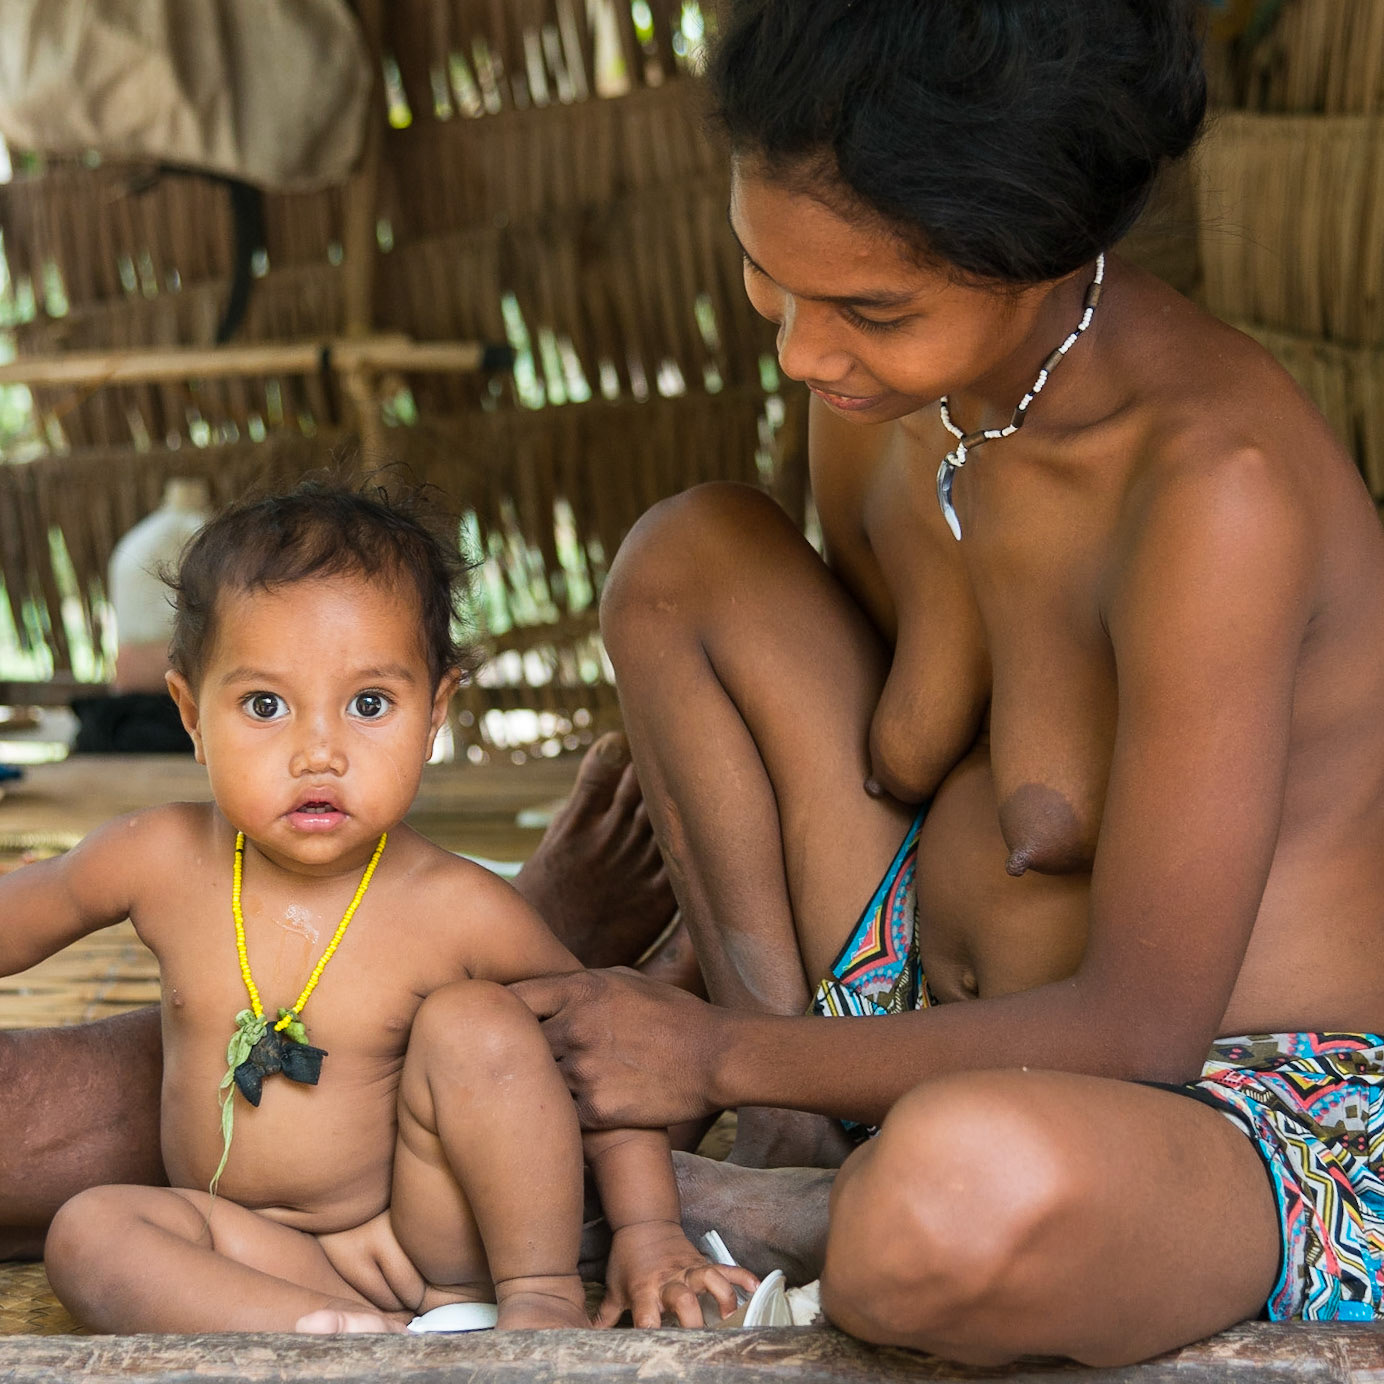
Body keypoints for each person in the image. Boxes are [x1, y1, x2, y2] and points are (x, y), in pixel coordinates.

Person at [508, 0, 1384, 1367]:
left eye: (869, 307)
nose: (802, 349)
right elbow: (869, 746)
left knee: (945, 1212)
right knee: (684, 560)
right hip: (909, 1004)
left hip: (1225, 1105)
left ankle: (810, 1187)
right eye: (769, 278)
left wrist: (704, 1059)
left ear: (1046, 255)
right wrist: (680, 986)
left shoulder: (1217, 496)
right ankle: (800, 1143)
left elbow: (1145, 1026)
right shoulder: (884, 386)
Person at [1, 479, 751, 1333]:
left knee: (476, 1022)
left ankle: (539, 1303)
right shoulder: (158, 858)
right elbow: (23, 910)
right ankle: (335, 1334)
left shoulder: (457, 905)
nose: (318, 752)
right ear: (190, 713)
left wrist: (651, 1235)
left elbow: (604, 1060)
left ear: (435, 713)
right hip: (248, 1247)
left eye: (368, 705)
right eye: (264, 705)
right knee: (90, 1231)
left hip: (423, 1245)